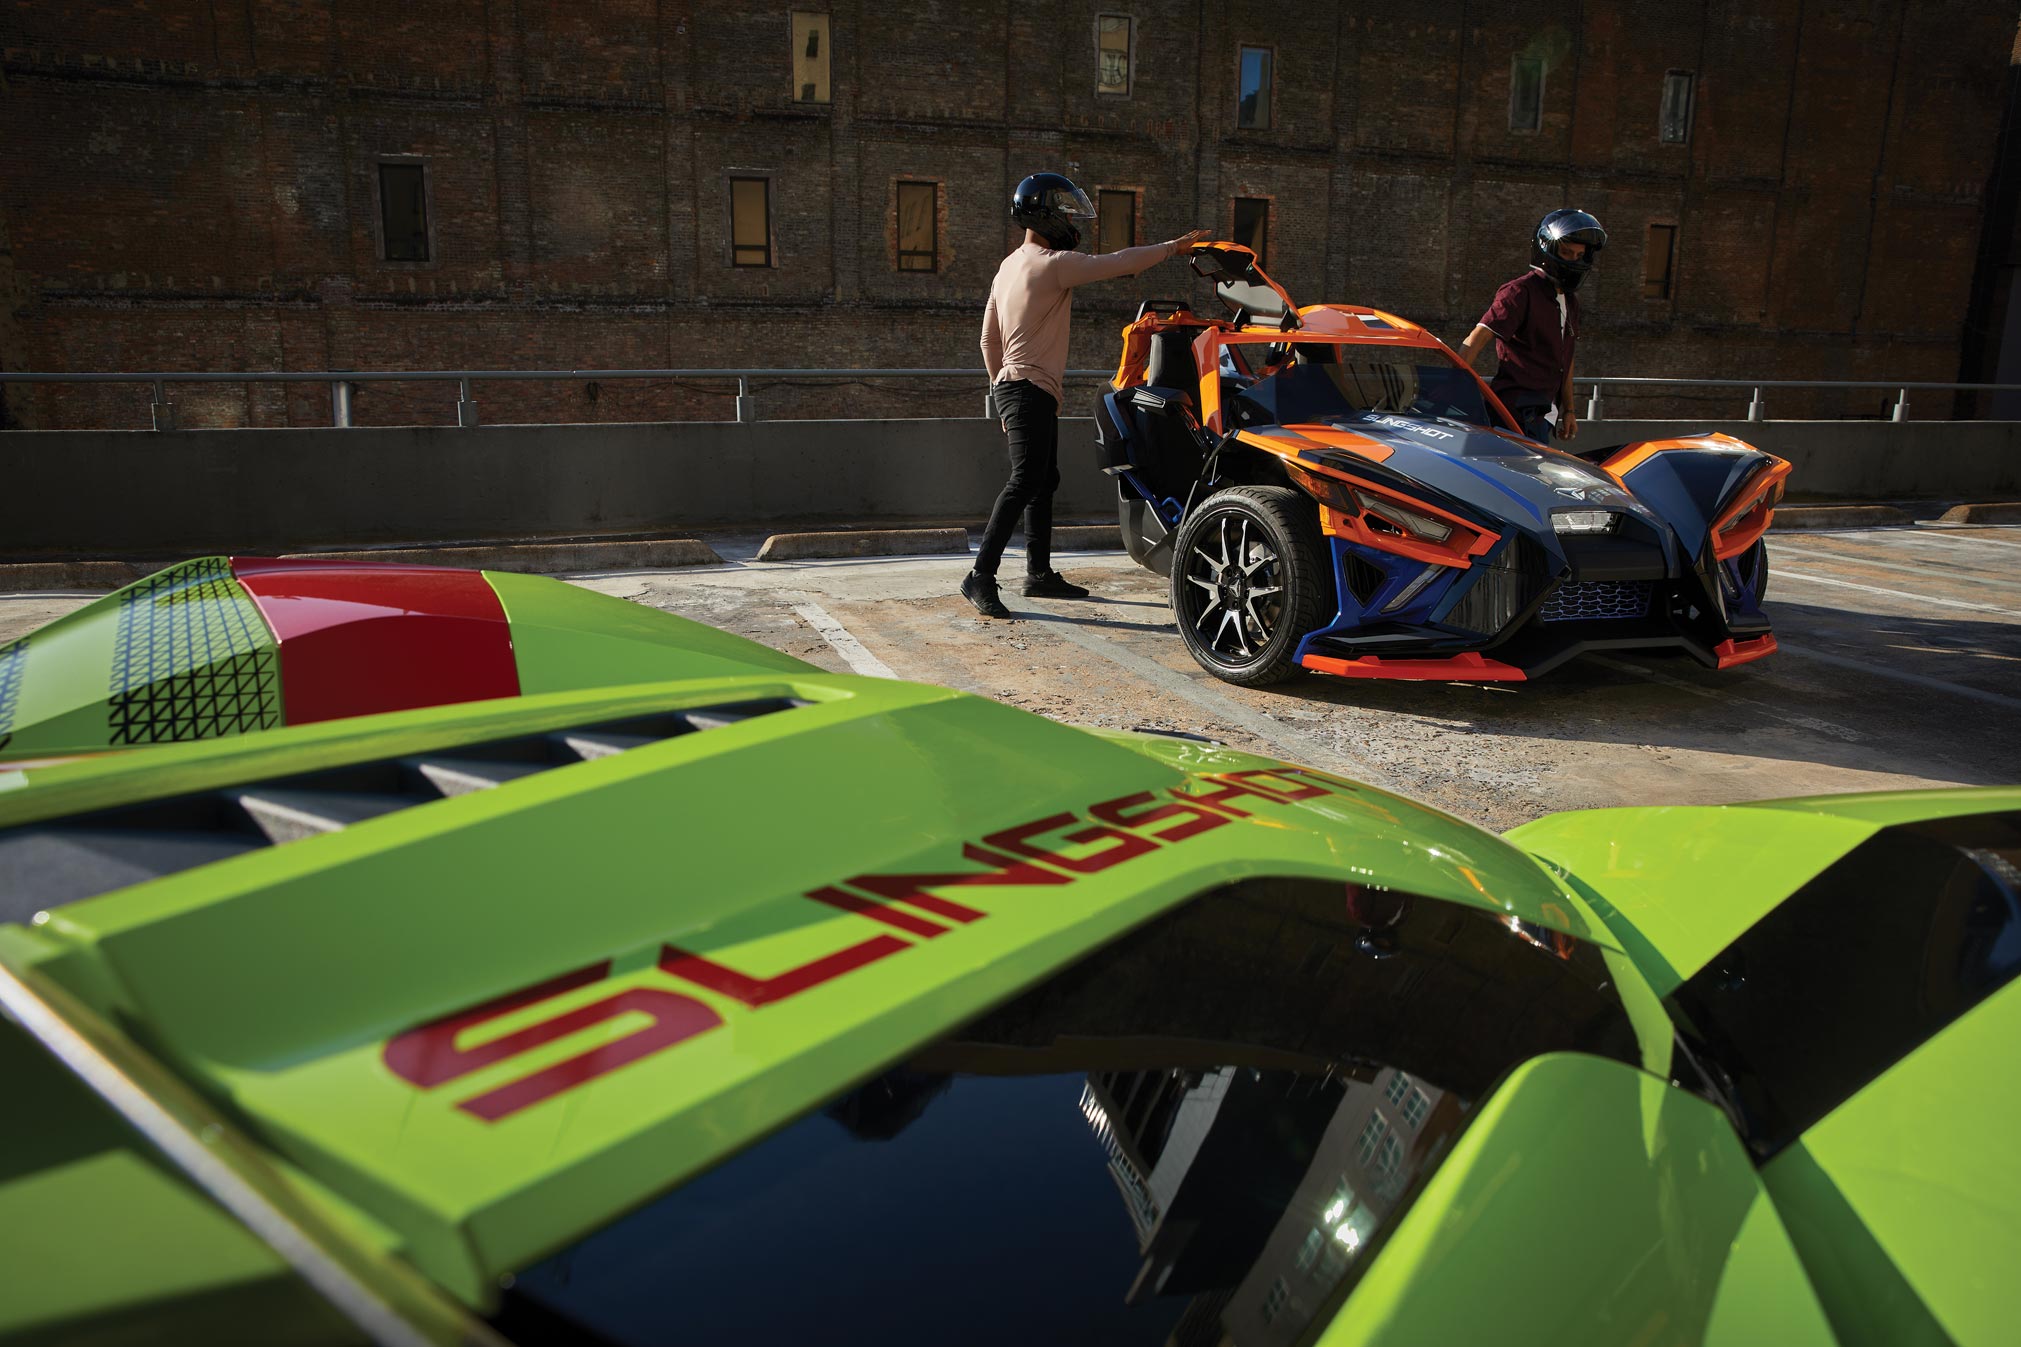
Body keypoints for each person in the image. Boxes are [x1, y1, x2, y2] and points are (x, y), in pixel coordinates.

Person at [963, 173, 1207, 619]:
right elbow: (1119, 262)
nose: (1071, 222)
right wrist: (1173, 247)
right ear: (1046, 216)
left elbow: (987, 341)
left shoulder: (1007, 267)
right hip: (1028, 388)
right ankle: (980, 575)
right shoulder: (1053, 263)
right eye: (1065, 213)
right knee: (1025, 480)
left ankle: (1038, 574)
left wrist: (999, 391)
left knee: (1042, 479)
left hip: (1018, 388)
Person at [1458, 209, 1607, 446]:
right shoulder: (1519, 291)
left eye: (1579, 255)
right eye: (1567, 253)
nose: (1574, 261)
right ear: (1548, 250)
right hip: (1516, 411)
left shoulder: (1570, 301)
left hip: (1546, 414)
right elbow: (1479, 335)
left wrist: (1569, 409)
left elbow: (1565, 359)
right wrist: (1456, 387)